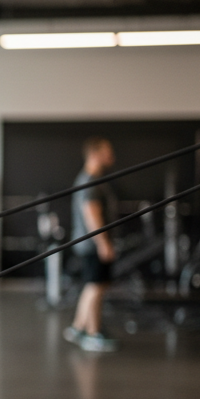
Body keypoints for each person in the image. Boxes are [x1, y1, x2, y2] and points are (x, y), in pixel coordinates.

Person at [64, 137, 119, 352]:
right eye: (107, 151)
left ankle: (78, 327)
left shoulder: (94, 178)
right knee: (95, 286)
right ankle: (92, 333)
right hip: (92, 244)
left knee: (96, 285)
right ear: (95, 154)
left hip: (91, 243)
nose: (111, 156)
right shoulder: (90, 181)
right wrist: (103, 243)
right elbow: (92, 215)